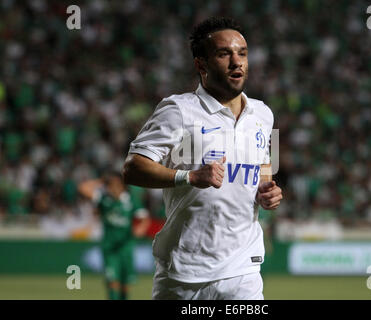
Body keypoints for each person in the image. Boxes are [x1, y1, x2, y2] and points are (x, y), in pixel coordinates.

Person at [123, 17, 283, 300]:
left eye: (242, 53)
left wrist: (266, 190)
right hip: (184, 272)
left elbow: (264, 165)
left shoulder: (262, 114)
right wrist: (191, 176)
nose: (237, 62)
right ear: (201, 64)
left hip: (242, 270)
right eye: (224, 54)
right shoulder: (178, 110)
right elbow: (133, 168)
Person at [78, 171, 150, 300]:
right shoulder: (103, 198)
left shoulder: (131, 200)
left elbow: (145, 218)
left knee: (125, 284)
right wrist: (101, 180)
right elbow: (83, 188)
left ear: (122, 185)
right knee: (112, 281)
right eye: (110, 185)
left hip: (126, 246)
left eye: (116, 184)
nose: (113, 188)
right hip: (109, 247)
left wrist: (141, 228)